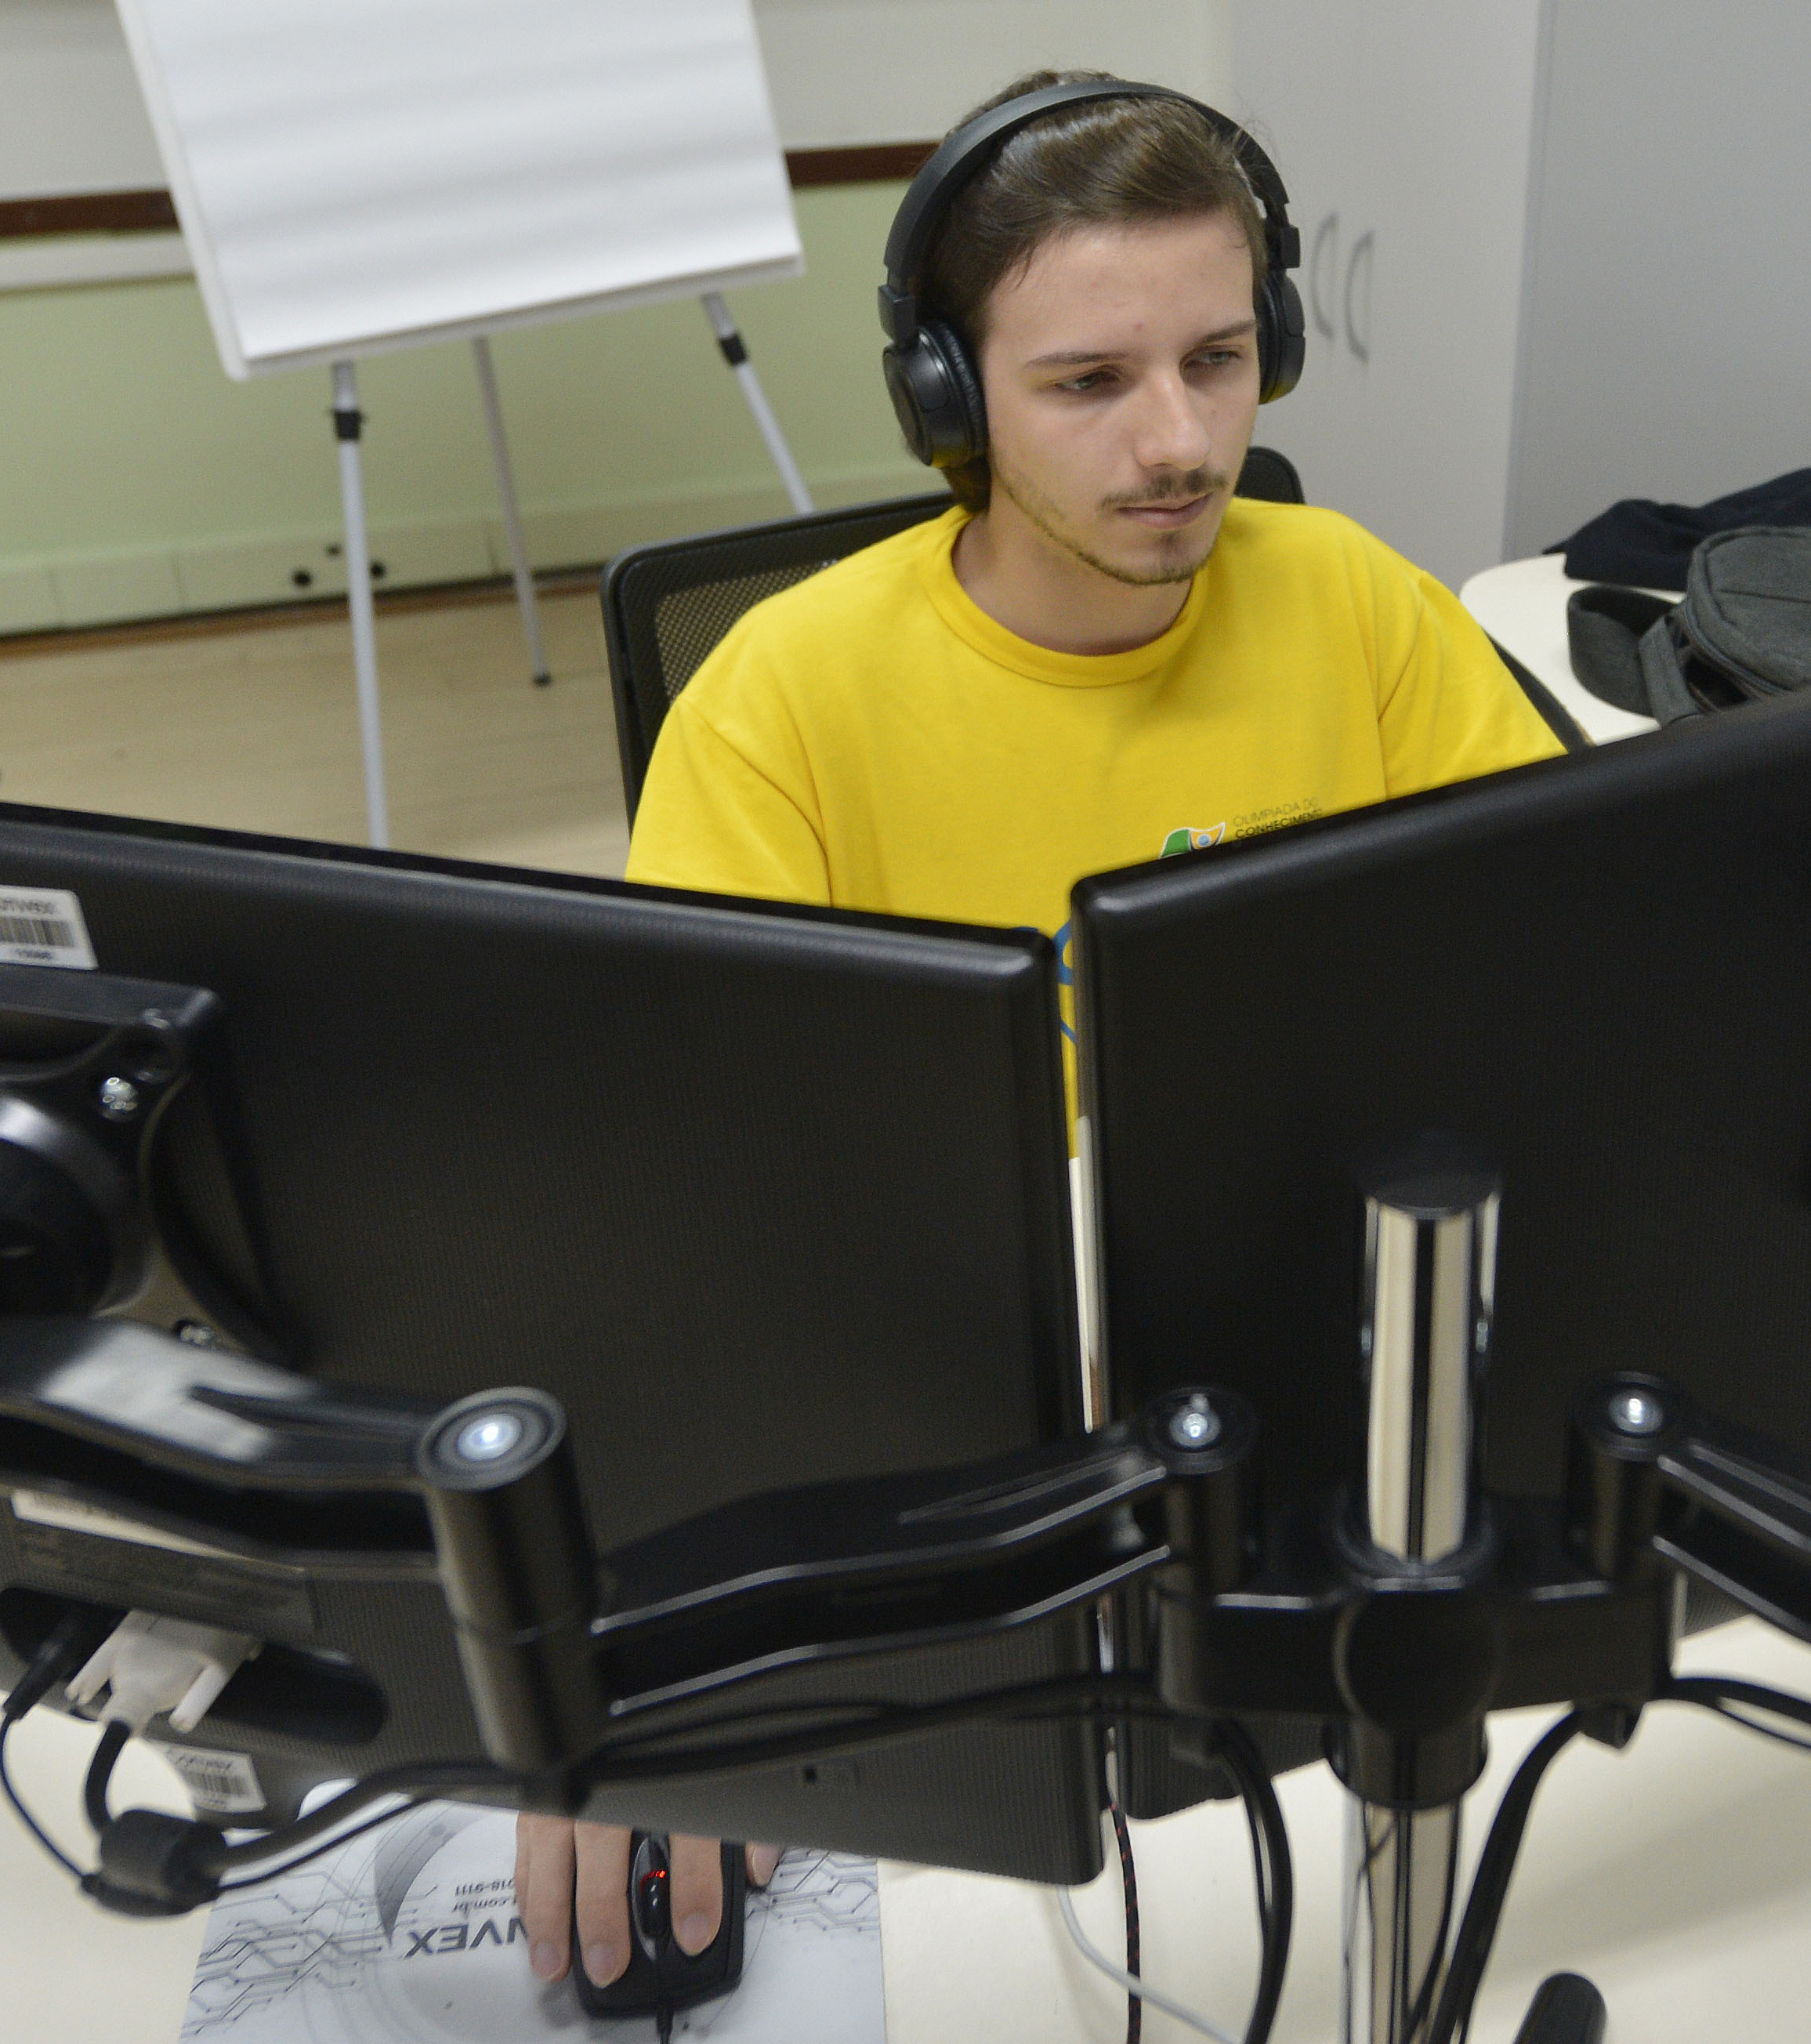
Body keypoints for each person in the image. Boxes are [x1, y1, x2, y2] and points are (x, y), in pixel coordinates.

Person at [521, 71, 1563, 1989]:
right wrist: (639, 1628)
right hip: (960, 1431)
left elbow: (1563, 970)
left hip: (1328, 1382)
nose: (1182, 442)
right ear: (950, 398)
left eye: (1221, 360)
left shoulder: (1354, 601)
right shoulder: (779, 703)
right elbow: (688, 1219)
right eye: (1089, 381)